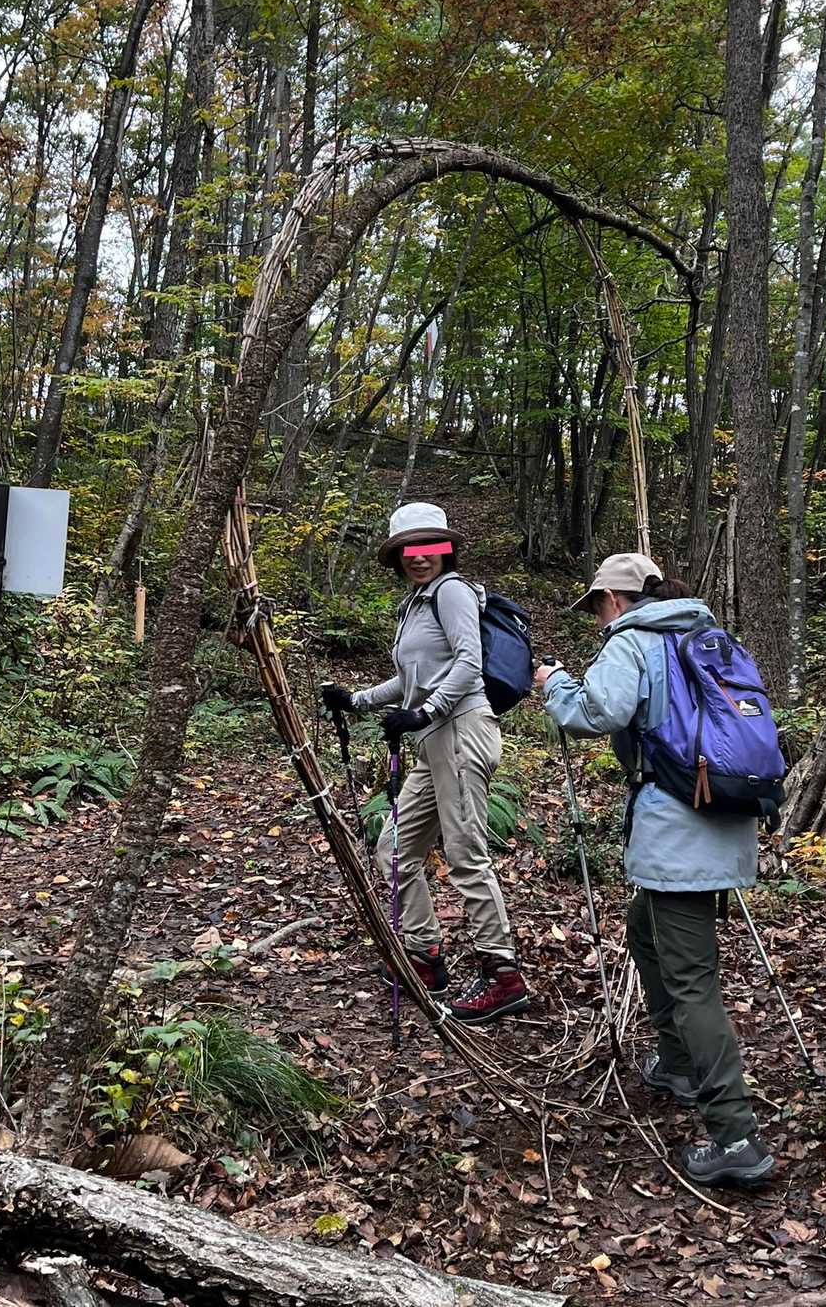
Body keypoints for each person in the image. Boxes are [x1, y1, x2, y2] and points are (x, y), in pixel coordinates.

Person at [535, 552, 775, 1188]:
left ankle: (735, 1135)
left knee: (693, 981)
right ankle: (677, 1063)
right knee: (644, 929)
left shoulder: (634, 641)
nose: (597, 617)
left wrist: (555, 684)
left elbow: (594, 714)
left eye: (597, 605)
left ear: (615, 600)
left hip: (678, 830)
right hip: (726, 815)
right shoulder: (710, 637)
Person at [322, 502, 529, 1024]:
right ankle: (425, 955)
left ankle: (503, 975)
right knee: (394, 849)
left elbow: (469, 663)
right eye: (408, 549)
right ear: (398, 557)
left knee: (465, 856)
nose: (419, 557)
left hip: (461, 730)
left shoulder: (452, 591)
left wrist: (425, 712)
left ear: (445, 550)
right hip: (434, 739)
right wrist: (357, 700)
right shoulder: (414, 604)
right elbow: (411, 678)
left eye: (429, 546)